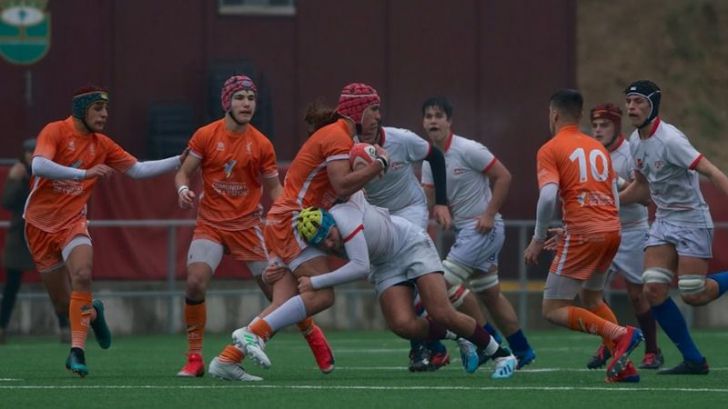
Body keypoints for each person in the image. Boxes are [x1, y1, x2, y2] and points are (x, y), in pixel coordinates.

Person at [208, 83, 387, 379]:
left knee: (282, 302)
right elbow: (342, 184)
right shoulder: (337, 137)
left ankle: (227, 360)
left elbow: (339, 190)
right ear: (357, 110)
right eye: (374, 109)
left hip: (289, 220)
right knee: (323, 295)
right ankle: (254, 333)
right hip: (293, 219)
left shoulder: (338, 136)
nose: (378, 116)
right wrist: (378, 164)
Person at [24, 86, 185, 377]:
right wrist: (84, 174)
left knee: (83, 275)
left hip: (73, 223)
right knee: (63, 304)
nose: (105, 115)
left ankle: (77, 352)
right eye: (98, 109)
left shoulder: (103, 144)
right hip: (38, 226)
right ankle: (94, 313)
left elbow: (137, 170)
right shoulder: (55, 131)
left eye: (106, 109)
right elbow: (39, 165)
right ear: (82, 109)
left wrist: (180, 161)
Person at [290, 192, 517, 379]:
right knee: (402, 325)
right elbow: (291, 254)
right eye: (324, 243)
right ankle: (460, 337)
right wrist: (275, 266)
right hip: (384, 264)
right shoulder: (319, 241)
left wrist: (314, 282)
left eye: (330, 236)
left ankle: (502, 355)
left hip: (409, 245)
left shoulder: (345, 220)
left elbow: (359, 267)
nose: (330, 243)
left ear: (332, 223)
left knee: (440, 311)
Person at [523, 89, 644, 383]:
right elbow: (612, 193)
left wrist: (539, 237)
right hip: (612, 231)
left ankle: (620, 334)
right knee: (591, 297)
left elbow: (549, 196)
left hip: (585, 233)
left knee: (553, 309)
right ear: (579, 116)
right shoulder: (598, 147)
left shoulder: (550, 149)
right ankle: (623, 365)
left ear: (553, 115)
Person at [619, 80, 728, 375]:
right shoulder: (634, 141)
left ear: (653, 106)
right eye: (629, 101)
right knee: (652, 290)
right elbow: (641, 188)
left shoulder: (670, 140)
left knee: (694, 293)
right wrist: (610, 203)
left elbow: (711, 170)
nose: (632, 107)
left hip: (692, 219)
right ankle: (694, 359)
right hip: (664, 220)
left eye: (639, 101)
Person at [420, 96, 535, 369]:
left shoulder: (468, 149)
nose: (433, 121)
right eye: (428, 116)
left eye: (438, 115)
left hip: (483, 229)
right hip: (467, 233)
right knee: (490, 295)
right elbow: (427, 198)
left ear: (449, 121)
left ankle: (487, 345)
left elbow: (504, 176)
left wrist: (489, 214)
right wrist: (437, 208)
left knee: (440, 286)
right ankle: (522, 349)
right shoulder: (428, 159)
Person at [356, 123, 453, 371]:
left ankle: (420, 348)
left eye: (373, 114)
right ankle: (438, 344)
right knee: (393, 283)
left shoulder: (402, 139)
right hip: (377, 214)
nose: (365, 128)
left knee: (408, 273)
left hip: (410, 209)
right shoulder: (347, 145)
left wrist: (441, 203)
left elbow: (435, 156)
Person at [581, 103, 663, 370]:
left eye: (604, 125)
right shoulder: (592, 153)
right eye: (594, 125)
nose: (598, 130)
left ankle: (652, 350)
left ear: (616, 126)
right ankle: (612, 342)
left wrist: (617, 184)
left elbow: (644, 196)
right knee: (590, 292)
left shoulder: (629, 152)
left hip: (632, 231)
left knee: (637, 294)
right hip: (602, 230)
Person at [1, 139, 70, 344]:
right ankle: (2, 327)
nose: (31, 155)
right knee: (11, 287)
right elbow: (7, 202)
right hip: (20, 236)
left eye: (34, 151)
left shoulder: (51, 173)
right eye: (28, 152)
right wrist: (15, 180)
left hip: (45, 233)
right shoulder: (18, 174)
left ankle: (66, 327)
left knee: (54, 284)